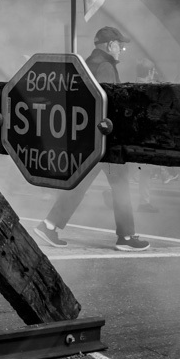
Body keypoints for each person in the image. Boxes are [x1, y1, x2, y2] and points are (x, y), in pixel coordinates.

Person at [33, 26, 149, 252]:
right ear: (109, 45)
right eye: (119, 45)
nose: (121, 50)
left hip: (87, 136)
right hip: (104, 137)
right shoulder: (105, 66)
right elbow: (106, 102)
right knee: (120, 186)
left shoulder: (86, 63)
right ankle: (125, 237)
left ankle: (49, 225)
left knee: (82, 182)